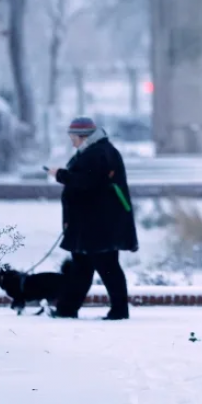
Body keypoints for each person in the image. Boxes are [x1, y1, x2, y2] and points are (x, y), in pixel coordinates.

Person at [47, 117, 138, 320]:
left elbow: (86, 182)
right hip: (94, 224)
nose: (71, 141)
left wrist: (60, 174)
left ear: (82, 136)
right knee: (84, 268)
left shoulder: (96, 153)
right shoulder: (99, 151)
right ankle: (67, 309)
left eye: (72, 137)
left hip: (98, 225)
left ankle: (118, 310)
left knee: (106, 267)